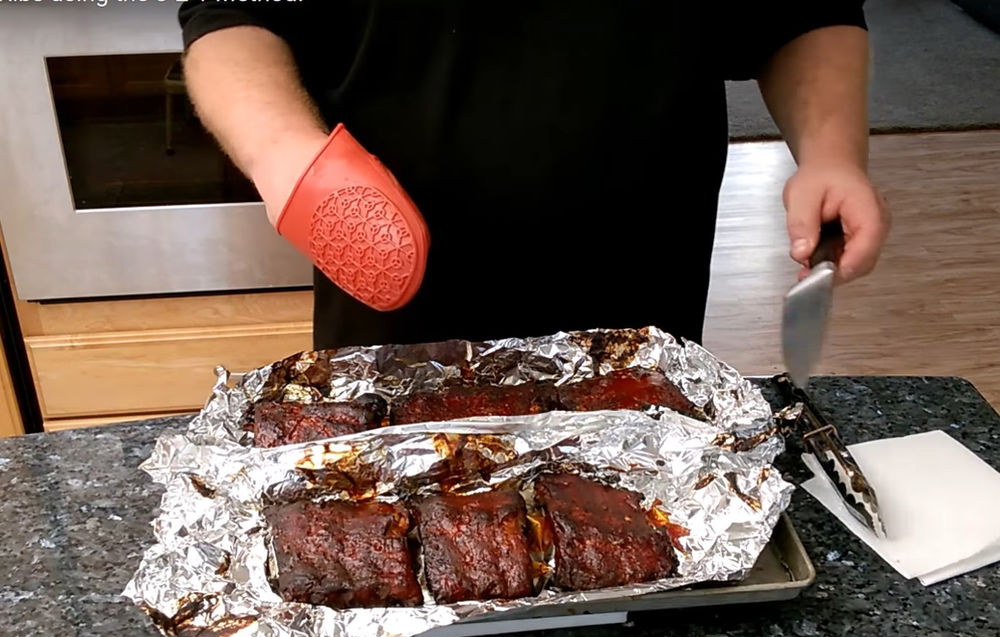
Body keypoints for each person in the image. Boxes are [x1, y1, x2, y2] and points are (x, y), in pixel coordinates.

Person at [178, 2, 889, 351]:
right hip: (397, 312)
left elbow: (804, 8)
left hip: (639, 307)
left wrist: (831, 151)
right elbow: (233, 14)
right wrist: (284, 154)